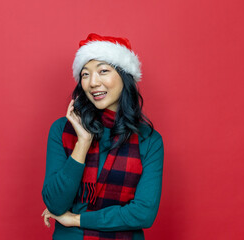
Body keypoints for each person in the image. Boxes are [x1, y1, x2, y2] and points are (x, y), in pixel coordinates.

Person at [41, 33, 164, 240]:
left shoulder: (149, 140)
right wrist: (83, 143)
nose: (93, 83)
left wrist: (76, 219)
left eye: (103, 71)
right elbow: (55, 203)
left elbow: (143, 214)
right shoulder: (63, 129)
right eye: (85, 74)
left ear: (125, 77)